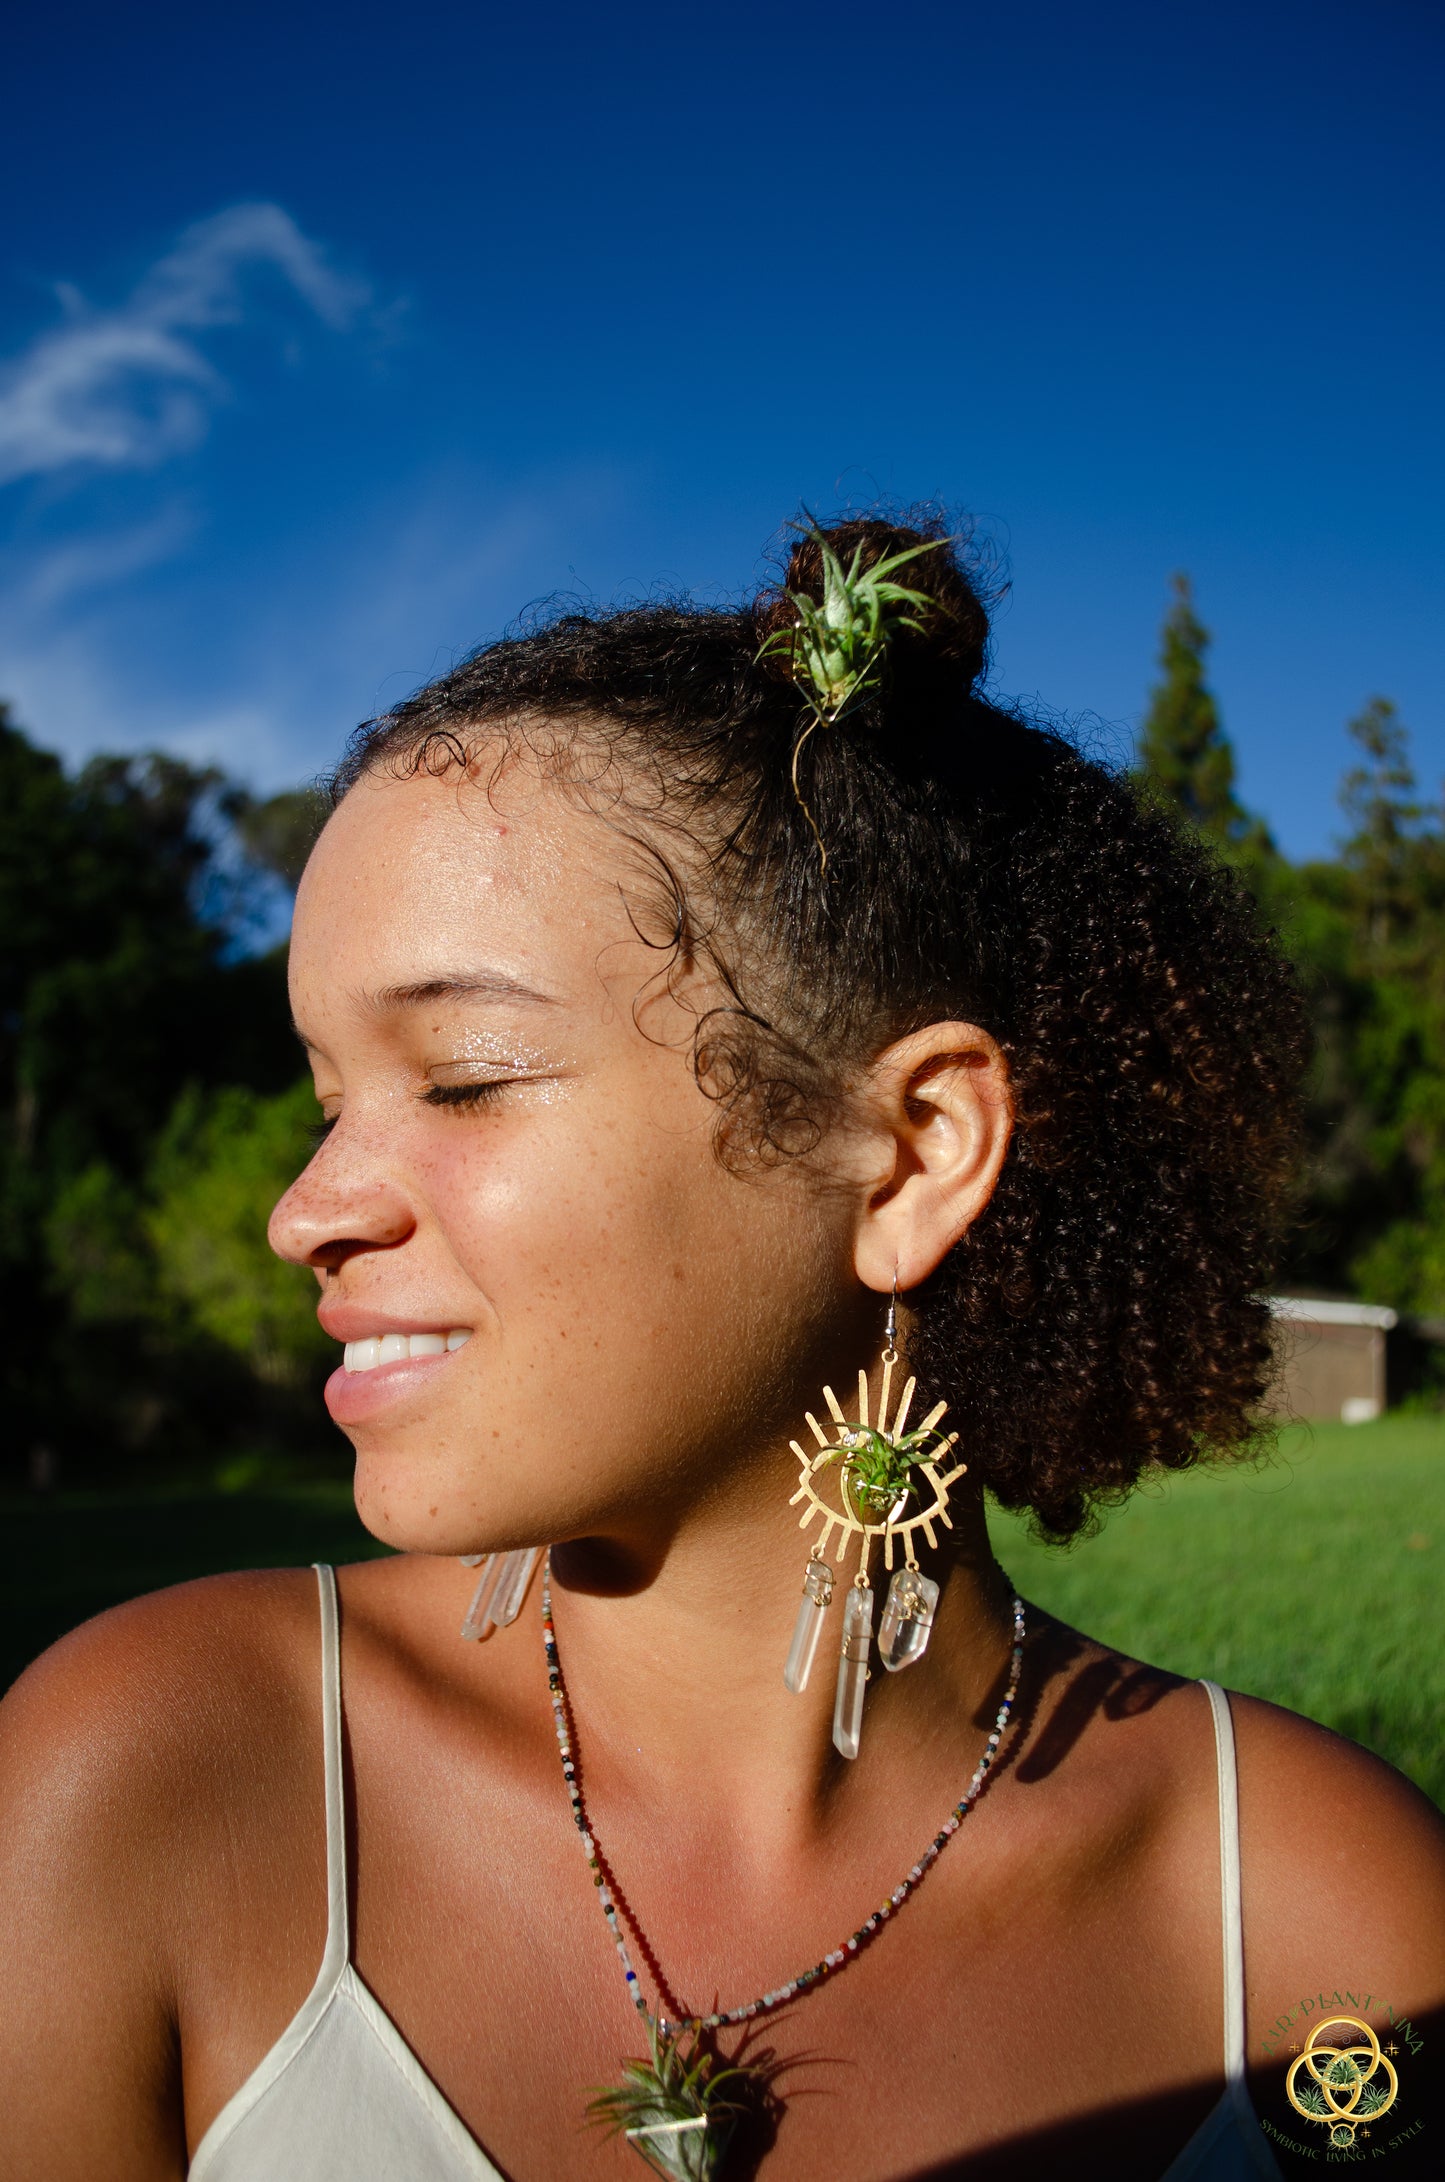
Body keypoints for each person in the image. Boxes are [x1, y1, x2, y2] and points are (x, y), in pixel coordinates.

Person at [2, 515, 1441, 2182]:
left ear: (909, 1151)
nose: (304, 1210)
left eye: (462, 1075)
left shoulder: (1329, 1930)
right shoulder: (147, 1784)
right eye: (330, 1096)